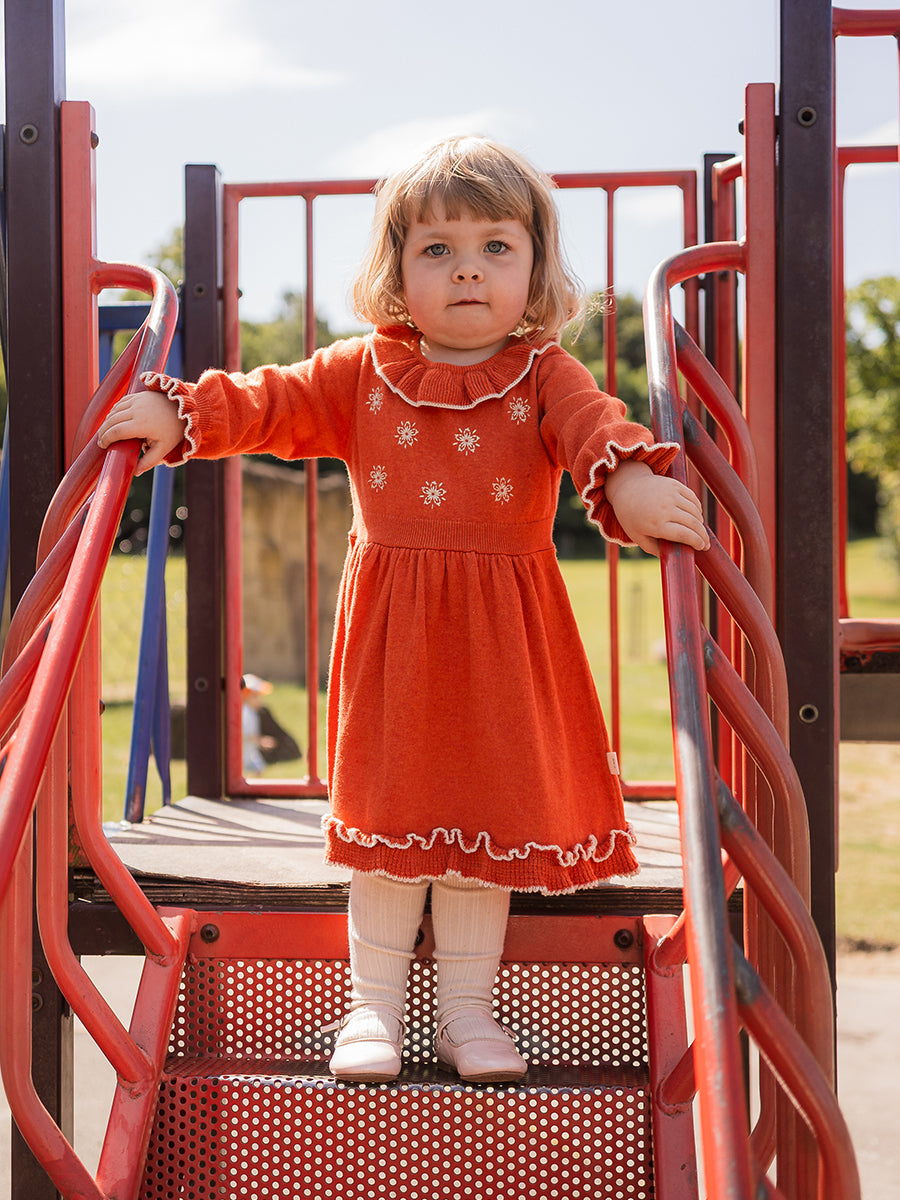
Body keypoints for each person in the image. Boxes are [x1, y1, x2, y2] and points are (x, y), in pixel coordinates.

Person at [97, 136, 709, 1086]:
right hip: (396, 639)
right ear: (397, 270)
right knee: (389, 822)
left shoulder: (546, 376)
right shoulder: (364, 373)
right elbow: (270, 401)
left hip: (505, 638)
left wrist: (627, 482)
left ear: (536, 266)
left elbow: (596, 429)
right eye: (438, 249)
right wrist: (186, 416)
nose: (468, 268)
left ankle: (468, 1011)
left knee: (480, 825)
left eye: (496, 246)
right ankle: (372, 1006)